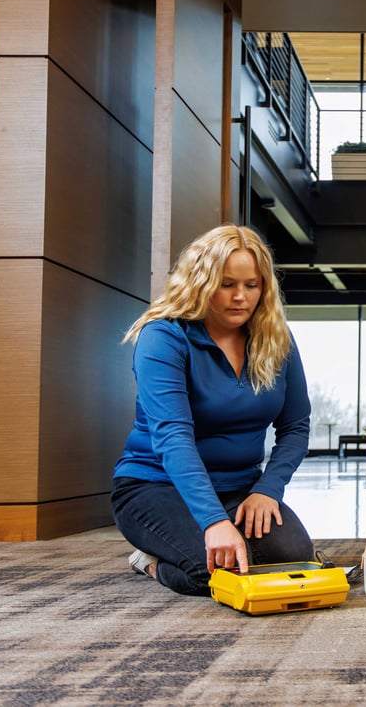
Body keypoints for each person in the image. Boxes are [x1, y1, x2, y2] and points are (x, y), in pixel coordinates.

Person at [111, 225, 316, 596]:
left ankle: (221, 529)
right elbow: (174, 437)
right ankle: (148, 561)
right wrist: (213, 521)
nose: (240, 297)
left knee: (294, 559)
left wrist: (267, 490)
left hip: (241, 487)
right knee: (214, 574)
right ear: (201, 282)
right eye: (226, 284)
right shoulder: (163, 337)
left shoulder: (276, 338)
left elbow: (296, 426)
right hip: (157, 486)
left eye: (251, 285)